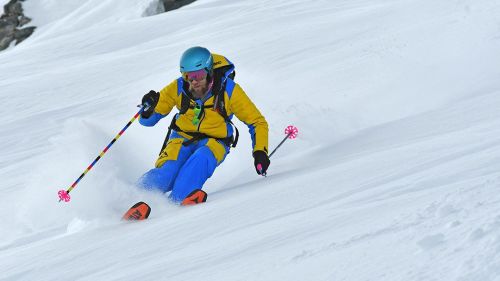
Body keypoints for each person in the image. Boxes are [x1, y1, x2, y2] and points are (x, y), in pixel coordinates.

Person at [137, 46, 270, 205]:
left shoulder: (229, 90)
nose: (193, 81)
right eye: (188, 76)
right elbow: (148, 121)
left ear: (209, 71)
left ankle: (173, 206)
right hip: (181, 138)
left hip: (215, 141)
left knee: (198, 162)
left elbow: (257, 122)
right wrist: (148, 110)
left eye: (198, 75)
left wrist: (260, 151)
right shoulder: (179, 87)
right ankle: (132, 199)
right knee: (165, 174)